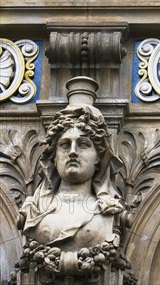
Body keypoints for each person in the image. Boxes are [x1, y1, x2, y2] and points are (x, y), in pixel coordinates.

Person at [18, 104, 124, 252]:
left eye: (83, 144)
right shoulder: (35, 209)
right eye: (65, 145)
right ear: (54, 158)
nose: (73, 152)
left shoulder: (110, 210)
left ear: (98, 158)